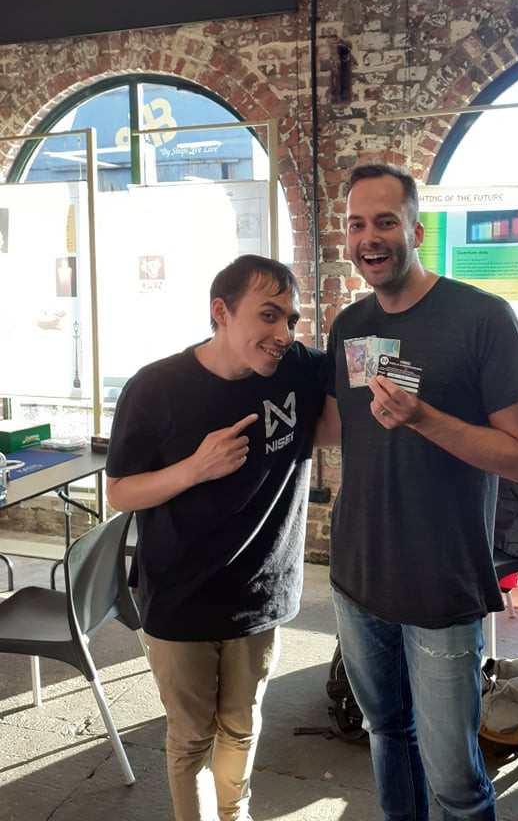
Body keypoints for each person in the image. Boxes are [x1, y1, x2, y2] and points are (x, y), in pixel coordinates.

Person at [324, 163, 518, 821]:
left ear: (417, 231)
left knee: (455, 782)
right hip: (357, 577)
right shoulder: (348, 326)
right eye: (357, 224)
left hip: (441, 585)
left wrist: (424, 418)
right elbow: (337, 428)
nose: (369, 237)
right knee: (387, 734)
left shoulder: (483, 318)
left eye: (385, 222)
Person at [106, 254, 334, 821]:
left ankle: (235, 814)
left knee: (241, 724)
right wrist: (194, 469)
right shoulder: (155, 387)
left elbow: (356, 381)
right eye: (268, 315)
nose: (284, 333)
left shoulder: (297, 369)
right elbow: (119, 492)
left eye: (291, 319)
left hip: (261, 591)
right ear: (221, 312)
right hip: (180, 594)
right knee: (191, 737)